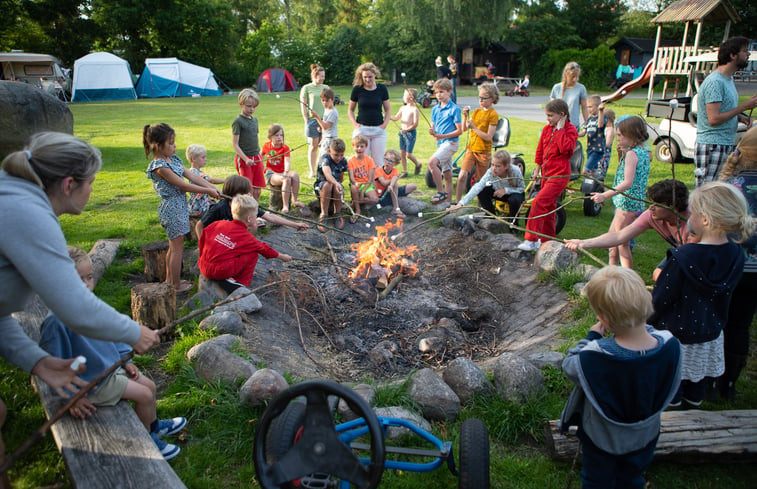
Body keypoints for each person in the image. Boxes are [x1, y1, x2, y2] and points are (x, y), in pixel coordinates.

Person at [0, 132, 160, 482]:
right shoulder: (27, 213)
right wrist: (134, 332)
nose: (92, 190)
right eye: (91, 183)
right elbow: (75, 306)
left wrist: (37, 361)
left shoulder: (18, 198)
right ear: (70, 184)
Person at [39, 247, 186, 460]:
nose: (86, 285)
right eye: (77, 279)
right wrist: (71, 399)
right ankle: (146, 440)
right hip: (92, 383)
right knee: (144, 396)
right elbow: (52, 367)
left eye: (89, 277)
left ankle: (154, 427)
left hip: (110, 367)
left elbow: (111, 334)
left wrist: (124, 361)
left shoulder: (89, 305)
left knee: (151, 386)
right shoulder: (56, 322)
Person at [560, 266, 681, 489]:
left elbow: (569, 365)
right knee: (632, 476)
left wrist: (593, 335)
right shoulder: (671, 345)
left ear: (603, 317)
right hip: (645, 435)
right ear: (647, 298)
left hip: (602, 438)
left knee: (597, 480)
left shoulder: (594, 355)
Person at [649, 182, 755, 409]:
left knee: (670, 391)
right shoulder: (737, 254)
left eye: (694, 212)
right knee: (696, 386)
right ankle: (692, 413)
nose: (690, 216)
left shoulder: (683, 256)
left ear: (705, 220)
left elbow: (661, 299)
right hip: (710, 334)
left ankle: (674, 426)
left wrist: (646, 322)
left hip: (675, 337)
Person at [144, 123, 221, 293]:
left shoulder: (174, 160)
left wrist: (212, 187)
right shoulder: (160, 167)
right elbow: (183, 186)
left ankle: (170, 281)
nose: (174, 146)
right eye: (170, 143)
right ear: (158, 145)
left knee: (174, 247)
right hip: (172, 207)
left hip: (179, 206)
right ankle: (175, 285)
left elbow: (192, 176)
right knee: (177, 248)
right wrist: (208, 190)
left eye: (174, 142)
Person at [565, 179, 692, 280]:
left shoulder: (693, 223)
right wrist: (583, 243)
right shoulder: (651, 216)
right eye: (651, 203)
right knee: (659, 275)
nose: (651, 208)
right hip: (681, 251)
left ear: (673, 207)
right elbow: (619, 236)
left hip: (698, 254)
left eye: (657, 205)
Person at [717, 126, 757, 398]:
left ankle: (710, 377)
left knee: (720, 320)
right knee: (742, 323)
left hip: (729, 265)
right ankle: (729, 383)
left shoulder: (731, 187)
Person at [588, 116, 651, 268]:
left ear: (631, 135)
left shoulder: (632, 154)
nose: (618, 139)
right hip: (633, 204)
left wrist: (604, 195)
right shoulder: (643, 152)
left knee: (622, 244)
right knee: (612, 241)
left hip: (627, 205)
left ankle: (627, 278)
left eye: (620, 135)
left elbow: (627, 182)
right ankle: (612, 272)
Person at [695, 36, 757, 187]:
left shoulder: (727, 79)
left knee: (719, 192)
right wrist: (743, 107)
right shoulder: (715, 82)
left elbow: (725, 111)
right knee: (707, 192)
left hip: (724, 143)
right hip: (712, 145)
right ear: (732, 55)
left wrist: (741, 117)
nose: (748, 54)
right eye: (744, 51)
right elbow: (713, 119)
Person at [199, 195, 293, 291]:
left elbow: (203, 239)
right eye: (255, 216)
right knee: (253, 253)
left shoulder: (217, 224)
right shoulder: (247, 238)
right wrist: (282, 256)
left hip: (203, 266)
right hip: (220, 271)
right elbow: (264, 249)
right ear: (249, 219)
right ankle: (241, 282)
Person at [518, 99, 577, 251]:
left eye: (551, 116)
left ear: (562, 115)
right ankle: (548, 241)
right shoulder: (546, 130)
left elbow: (565, 149)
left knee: (538, 203)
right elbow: (540, 150)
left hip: (560, 175)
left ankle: (531, 239)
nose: (548, 119)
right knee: (549, 209)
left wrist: (560, 130)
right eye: (547, 116)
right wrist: (537, 169)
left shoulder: (570, 131)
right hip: (546, 174)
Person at [196, 175, 307, 239]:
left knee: (253, 224)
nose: (250, 195)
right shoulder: (219, 208)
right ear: (236, 194)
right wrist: (203, 244)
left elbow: (270, 217)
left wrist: (295, 224)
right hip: (219, 238)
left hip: (233, 237)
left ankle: (244, 245)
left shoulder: (245, 206)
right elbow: (199, 226)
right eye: (247, 193)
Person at [455, 81, 500, 204]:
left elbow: (488, 136)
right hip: (471, 149)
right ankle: (457, 202)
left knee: (481, 181)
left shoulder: (493, 115)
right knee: (462, 175)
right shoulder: (476, 112)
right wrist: (465, 117)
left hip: (483, 151)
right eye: (479, 97)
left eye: (484, 98)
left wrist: (474, 127)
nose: (481, 100)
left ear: (492, 99)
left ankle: (481, 205)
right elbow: (464, 129)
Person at [451, 150, 524, 218]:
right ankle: (490, 215)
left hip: (514, 194)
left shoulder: (515, 171)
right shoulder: (490, 172)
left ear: (506, 166)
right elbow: (478, 187)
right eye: (492, 165)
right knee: (481, 188)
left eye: (498, 166)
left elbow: (521, 189)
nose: (494, 168)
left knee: (514, 200)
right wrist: (461, 204)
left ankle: (513, 222)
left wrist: (506, 190)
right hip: (497, 193)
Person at [427, 78, 463, 205]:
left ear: (449, 92)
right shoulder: (435, 109)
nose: (439, 95)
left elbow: (460, 130)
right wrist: (433, 132)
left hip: (451, 143)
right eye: (437, 93)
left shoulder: (454, 109)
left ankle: (440, 192)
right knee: (447, 175)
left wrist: (442, 135)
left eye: (442, 92)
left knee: (432, 162)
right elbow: (433, 127)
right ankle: (447, 203)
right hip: (441, 144)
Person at [348, 63, 391, 166]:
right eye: (365, 77)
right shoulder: (357, 89)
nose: (367, 79)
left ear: (375, 75)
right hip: (362, 129)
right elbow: (350, 110)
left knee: (378, 161)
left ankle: (377, 181)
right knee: (362, 161)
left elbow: (388, 109)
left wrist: (384, 125)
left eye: (370, 77)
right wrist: (355, 124)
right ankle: (362, 181)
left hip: (378, 130)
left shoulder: (382, 89)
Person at [261, 124, 304, 214]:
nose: (279, 138)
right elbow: (260, 156)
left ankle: (294, 200)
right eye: (276, 135)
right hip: (271, 173)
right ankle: (285, 206)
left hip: (282, 172)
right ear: (270, 137)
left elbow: (287, 161)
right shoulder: (266, 146)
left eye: (281, 135)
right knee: (286, 180)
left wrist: (286, 171)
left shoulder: (285, 147)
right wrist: (261, 167)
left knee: (295, 175)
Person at [232, 88, 264, 200]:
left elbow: (254, 139)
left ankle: (255, 212)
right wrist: (245, 159)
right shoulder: (238, 121)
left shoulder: (255, 120)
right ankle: (246, 214)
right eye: (249, 106)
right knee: (247, 189)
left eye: (254, 106)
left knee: (257, 189)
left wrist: (259, 156)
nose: (252, 109)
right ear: (241, 104)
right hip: (245, 159)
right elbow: (235, 145)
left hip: (257, 158)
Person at [300, 64, 328, 178]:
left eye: (323, 76)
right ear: (315, 76)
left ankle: (322, 167)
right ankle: (312, 170)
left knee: (324, 146)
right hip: (312, 120)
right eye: (320, 76)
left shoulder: (325, 88)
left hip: (324, 119)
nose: (322, 78)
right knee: (313, 145)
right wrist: (306, 119)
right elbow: (303, 105)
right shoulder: (307, 88)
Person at [314, 138, 349, 230]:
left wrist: (338, 185)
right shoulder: (325, 158)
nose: (339, 158)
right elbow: (327, 174)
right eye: (336, 155)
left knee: (338, 186)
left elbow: (341, 177)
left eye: (341, 155)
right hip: (322, 186)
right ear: (329, 151)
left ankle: (337, 213)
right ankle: (324, 214)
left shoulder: (343, 161)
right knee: (328, 185)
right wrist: (336, 183)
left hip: (335, 187)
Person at [375, 149, 417, 218]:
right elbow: (384, 183)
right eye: (386, 159)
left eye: (391, 161)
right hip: (382, 196)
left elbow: (394, 179)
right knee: (395, 184)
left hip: (391, 190)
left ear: (396, 164)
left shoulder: (395, 171)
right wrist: (392, 182)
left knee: (413, 186)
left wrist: (392, 184)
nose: (388, 162)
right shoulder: (378, 170)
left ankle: (395, 197)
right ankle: (396, 208)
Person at [186, 144, 225, 217]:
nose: (206, 159)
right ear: (193, 159)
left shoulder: (195, 172)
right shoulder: (194, 172)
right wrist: (226, 180)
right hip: (200, 207)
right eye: (203, 157)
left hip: (201, 204)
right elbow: (211, 180)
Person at [389, 88, 421, 177]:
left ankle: (418, 164)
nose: (403, 97)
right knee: (402, 153)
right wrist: (388, 116)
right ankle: (404, 171)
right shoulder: (403, 108)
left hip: (410, 133)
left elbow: (415, 124)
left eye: (405, 95)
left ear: (411, 97)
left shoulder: (415, 109)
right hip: (402, 133)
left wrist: (406, 130)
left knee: (408, 154)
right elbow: (396, 117)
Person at [347, 134, 379, 221]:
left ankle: (355, 202)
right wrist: (356, 184)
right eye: (357, 146)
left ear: (366, 147)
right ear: (353, 147)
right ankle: (357, 210)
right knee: (354, 188)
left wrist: (363, 191)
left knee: (375, 199)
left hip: (367, 184)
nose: (359, 149)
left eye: (362, 146)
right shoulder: (350, 161)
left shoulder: (369, 160)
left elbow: (370, 179)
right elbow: (351, 179)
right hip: (356, 183)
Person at [550, 62, 588, 130]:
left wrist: (586, 123)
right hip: (558, 125)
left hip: (573, 126)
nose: (575, 79)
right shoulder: (557, 88)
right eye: (573, 76)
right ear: (566, 74)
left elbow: (584, 107)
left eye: (577, 76)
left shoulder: (581, 88)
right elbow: (552, 108)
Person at [581, 95, 607, 178]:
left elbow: (600, 125)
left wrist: (601, 111)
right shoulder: (589, 119)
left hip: (597, 149)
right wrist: (573, 134)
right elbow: (583, 132)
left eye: (590, 107)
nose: (588, 109)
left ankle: (592, 184)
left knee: (585, 170)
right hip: (590, 149)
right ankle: (597, 186)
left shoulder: (602, 117)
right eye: (587, 107)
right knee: (593, 172)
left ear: (597, 106)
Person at [311, 87, 338, 160]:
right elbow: (324, 125)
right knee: (321, 159)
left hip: (330, 139)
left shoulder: (333, 112)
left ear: (332, 100)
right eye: (323, 101)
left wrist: (317, 117)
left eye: (327, 101)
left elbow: (326, 126)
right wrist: (320, 127)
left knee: (324, 160)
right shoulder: (326, 110)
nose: (324, 103)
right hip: (325, 138)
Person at [598, 108, 616, 179]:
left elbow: (608, 144)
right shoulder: (604, 128)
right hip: (599, 152)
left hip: (604, 154)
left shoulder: (610, 130)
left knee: (601, 172)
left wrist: (599, 144)